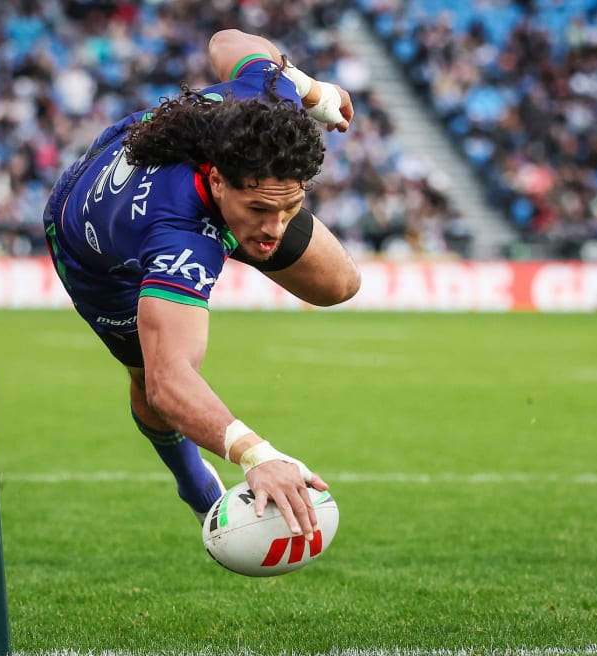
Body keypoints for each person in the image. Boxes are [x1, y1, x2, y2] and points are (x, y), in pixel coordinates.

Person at [42, 29, 361, 542]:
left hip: (191, 190)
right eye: (261, 210)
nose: (275, 227)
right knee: (149, 378)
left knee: (338, 283)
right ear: (218, 182)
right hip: (92, 248)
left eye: (291, 206)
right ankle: (192, 483)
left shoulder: (266, 98)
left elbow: (228, 40)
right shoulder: (177, 241)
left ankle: (257, 211)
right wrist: (257, 454)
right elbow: (170, 382)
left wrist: (309, 89)